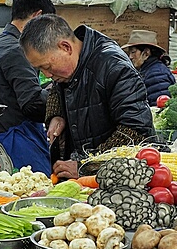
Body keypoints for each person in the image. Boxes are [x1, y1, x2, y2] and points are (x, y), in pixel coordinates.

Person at [19, 14, 155, 180]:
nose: (47, 75)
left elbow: (134, 131)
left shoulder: (115, 67)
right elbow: (57, 87)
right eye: (40, 69)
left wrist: (86, 166)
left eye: (47, 67)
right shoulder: (71, 62)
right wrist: (56, 115)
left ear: (65, 47)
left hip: (119, 179)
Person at [0, 0, 57, 174]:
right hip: (17, 142)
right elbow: (32, 103)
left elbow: (13, 92)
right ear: (38, 17)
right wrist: (62, 95)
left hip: (1, 138)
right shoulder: (17, 49)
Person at [120, 30, 176, 106]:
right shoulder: (148, 69)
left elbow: (159, 107)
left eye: (133, 52)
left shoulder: (156, 74)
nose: (130, 57)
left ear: (146, 53)